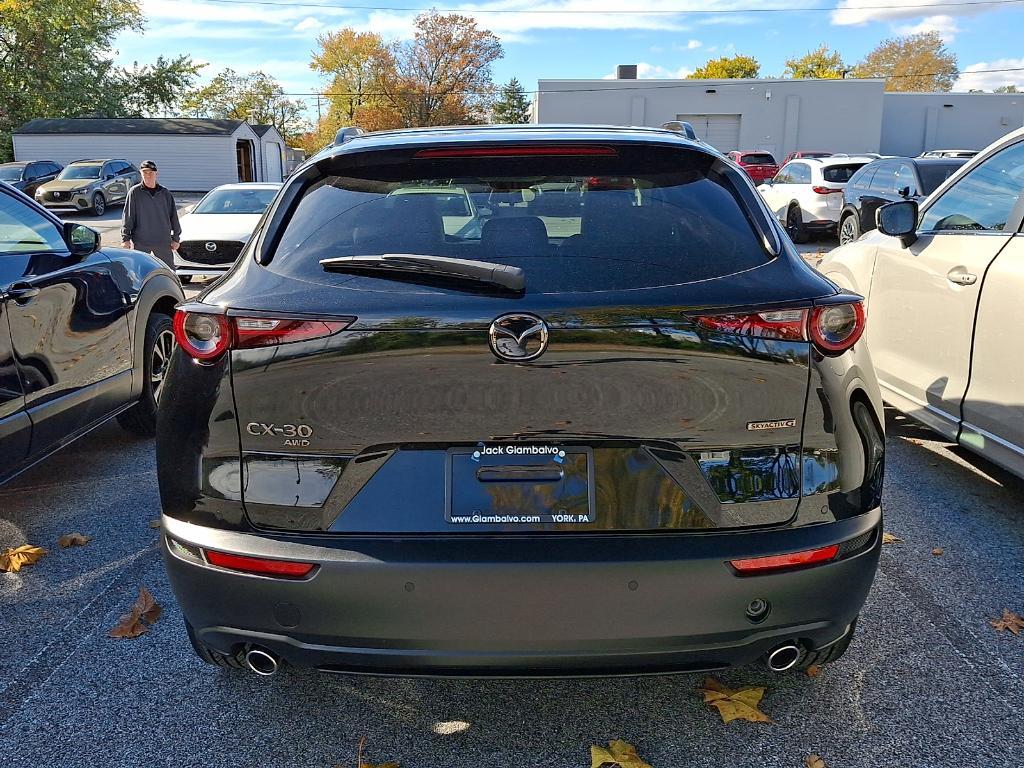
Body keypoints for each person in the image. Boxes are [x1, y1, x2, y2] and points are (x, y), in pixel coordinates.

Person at [120, 160, 180, 268]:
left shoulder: (165, 193)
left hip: (162, 240)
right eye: (145, 172)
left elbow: (173, 217)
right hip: (141, 241)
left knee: (168, 270)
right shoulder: (134, 192)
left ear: (156, 173)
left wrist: (176, 238)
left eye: (151, 172)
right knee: (139, 269)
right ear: (141, 173)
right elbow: (128, 216)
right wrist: (125, 239)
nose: (148, 175)